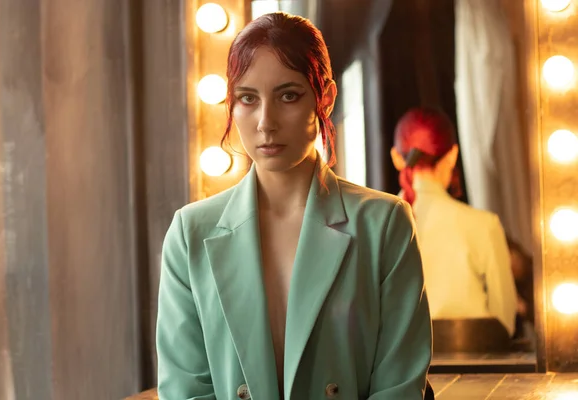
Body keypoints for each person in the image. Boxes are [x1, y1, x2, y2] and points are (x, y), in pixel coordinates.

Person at [156, 12, 432, 400]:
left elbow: (399, 387)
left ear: (326, 97)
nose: (265, 122)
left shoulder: (384, 224)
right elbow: (185, 389)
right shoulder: (190, 233)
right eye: (248, 98)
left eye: (288, 95)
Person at [390, 107, 517, 337]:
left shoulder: (373, 227)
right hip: (480, 368)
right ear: (452, 155)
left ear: (397, 158)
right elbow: (504, 323)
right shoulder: (484, 225)